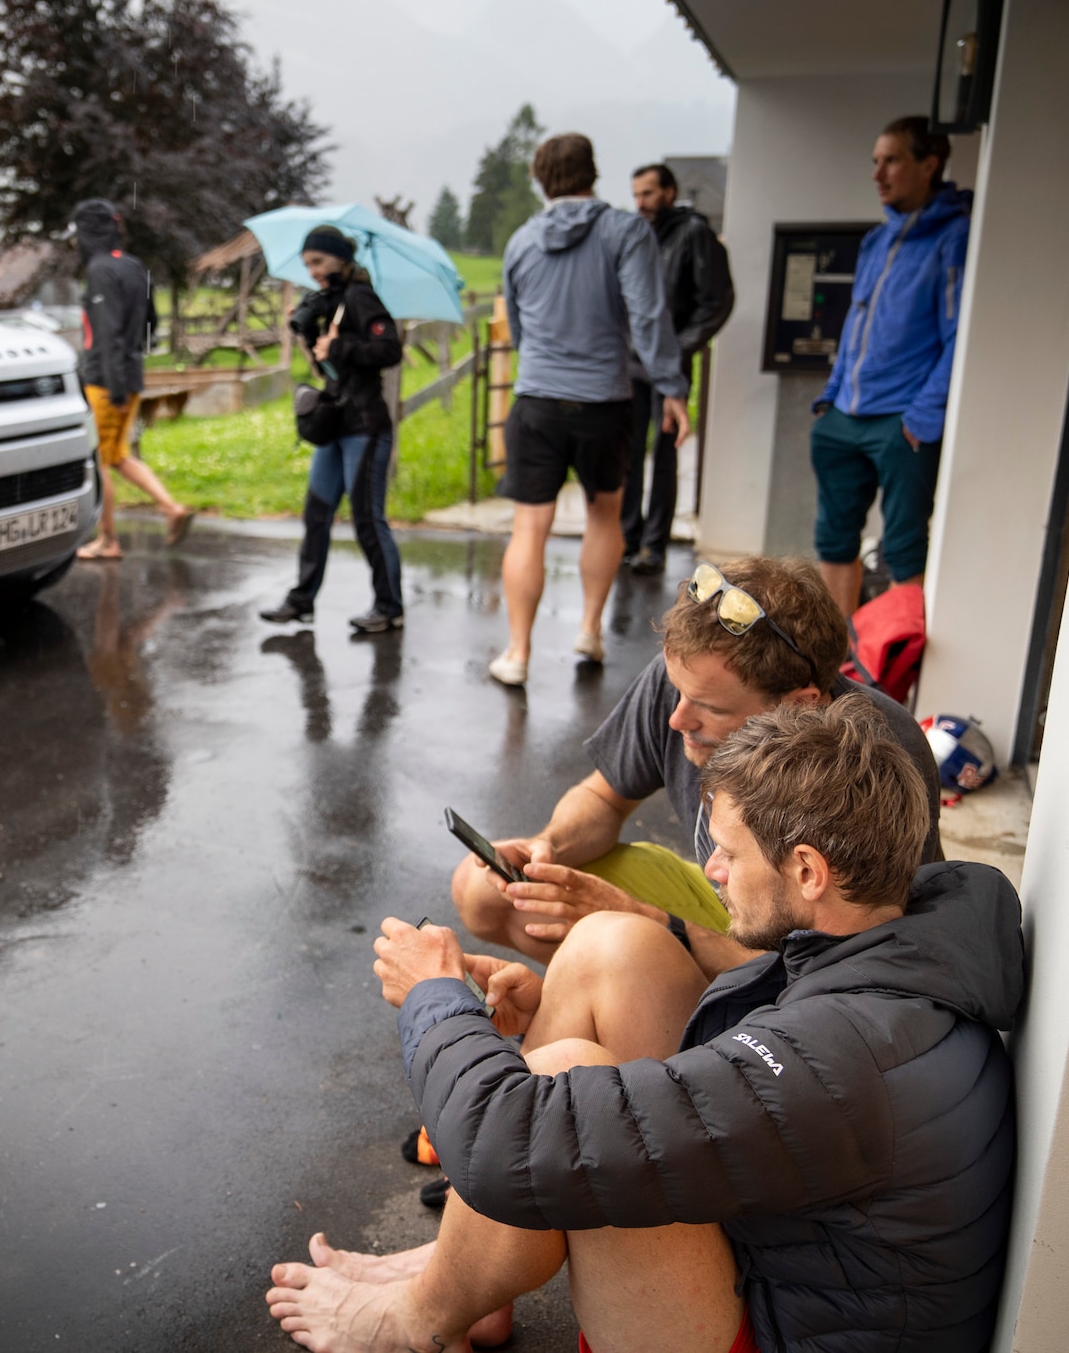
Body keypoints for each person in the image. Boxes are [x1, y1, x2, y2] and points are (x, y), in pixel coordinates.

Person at [266, 696, 1023, 1353]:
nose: (714, 872)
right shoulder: (896, 934)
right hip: (789, 1260)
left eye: (728, 853)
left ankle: (421, 1318)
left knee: (555, 1083)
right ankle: (472, 1279)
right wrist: (533, 994)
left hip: (779, 1327)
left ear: (807, 871)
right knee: (609, 950)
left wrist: (437, 994)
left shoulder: (840, 1060)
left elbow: (510, 1139)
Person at [453, 555, 941, 974]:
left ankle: (658, 1027)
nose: (677, 717)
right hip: (724, 908)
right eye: (678, 690)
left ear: (801, 704)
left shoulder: (867, 765)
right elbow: (605, 796)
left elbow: (842, 983)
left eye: (713, 708)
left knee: (618, 960)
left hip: (807, 967)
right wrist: (548, 845)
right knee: (485, 889)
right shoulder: (693, 678)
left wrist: (652, 926)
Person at [488, 133, 686, 688]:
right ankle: (589, 630)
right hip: (605, 402)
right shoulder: (626, 230)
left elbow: (521, 328)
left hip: (537, 402)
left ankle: (518, 654)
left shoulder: (521, 241)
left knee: (529, 527)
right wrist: (672, 386)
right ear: (592, 173)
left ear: (540, 180)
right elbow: (648, 315)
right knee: (604, 516)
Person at [812, 117, 971, 615]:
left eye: (892, 160)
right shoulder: (875, 241)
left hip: (901, 422)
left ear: (930, 164)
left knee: (903, 550)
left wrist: (921, 419)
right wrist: (830, 399)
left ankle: (901, 680)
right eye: (875, 162)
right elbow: (855, 326)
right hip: (844, 416)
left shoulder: (956, 236)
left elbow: (958, 337)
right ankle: (834, 666)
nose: (878, 173)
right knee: (833, 542)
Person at [259, 226, 407, 635]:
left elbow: (390, 350)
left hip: (366, 427)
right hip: (336, 426)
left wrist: (339, 347)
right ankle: (301, 601)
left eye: (319, 262)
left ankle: (390, 606)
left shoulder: (361, 297)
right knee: (316, 515)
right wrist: (311, 336)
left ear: (341, 258)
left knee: (367, 519)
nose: (314, 271)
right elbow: (329, 370)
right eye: (308, 265)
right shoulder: (332, 303)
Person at [622, 163, 734, 576]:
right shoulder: (637, 234)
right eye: (636, 195)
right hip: (631, 364)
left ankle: (654, 544)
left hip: (670, 364)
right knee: (628, 455)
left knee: (664, 453)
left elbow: (716, 302)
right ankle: (627, 537)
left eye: (648, 193)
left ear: (669, 191)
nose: (641, 202)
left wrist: (677, 348)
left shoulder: (694, 234)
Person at [70, 198, 193, 562]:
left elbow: (107, 333)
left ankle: (108, 540)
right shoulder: (134, 266)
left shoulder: (99, 270)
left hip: (107, 383)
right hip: (132, 375)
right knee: (119, 455)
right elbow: (151, 321)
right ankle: (172, 508)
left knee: (100, 463)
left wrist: (115, 385)